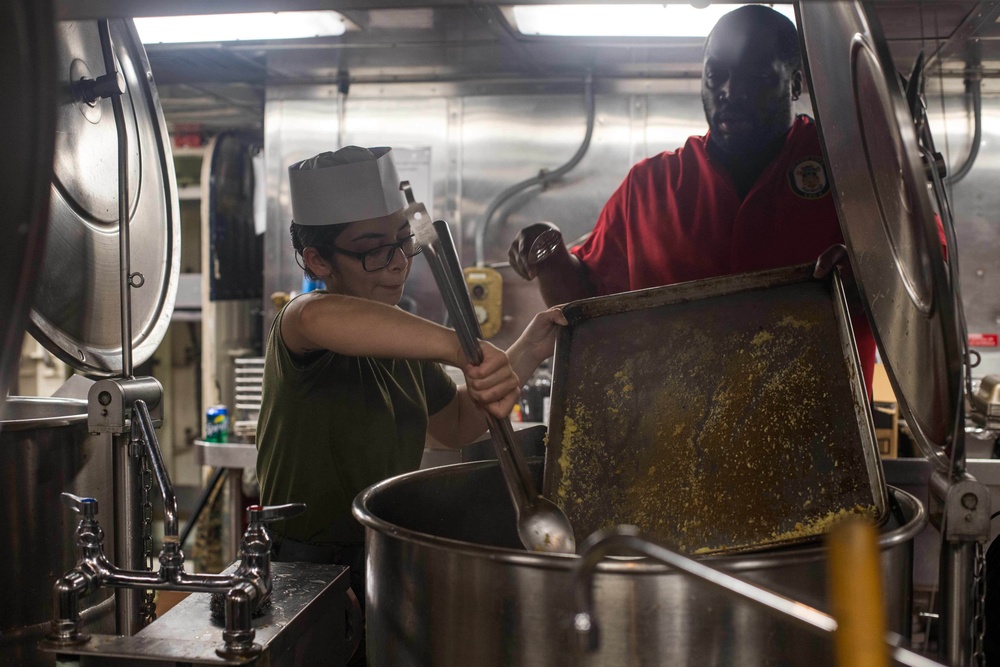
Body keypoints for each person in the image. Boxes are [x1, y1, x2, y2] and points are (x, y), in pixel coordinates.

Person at [255, 146, 565, 661]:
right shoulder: (303, 323)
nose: (397, 263)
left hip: (379, 556)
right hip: (302, 574)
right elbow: (323, 319)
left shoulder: (403, 342)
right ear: (317, 260)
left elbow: (457, 425)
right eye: (373, 249)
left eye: (402, 242)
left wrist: (529, 348)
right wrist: (461, 346)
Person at [507, 4, 878, 391]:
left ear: (796, 83)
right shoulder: (650, 186)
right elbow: (581, 305)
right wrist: (548, 254)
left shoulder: (851, 174)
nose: (730, 92)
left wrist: (871, 277)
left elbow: (921, 279)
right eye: (716, 75)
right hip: (674, 436)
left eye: (755, 77)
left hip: (821, 433)